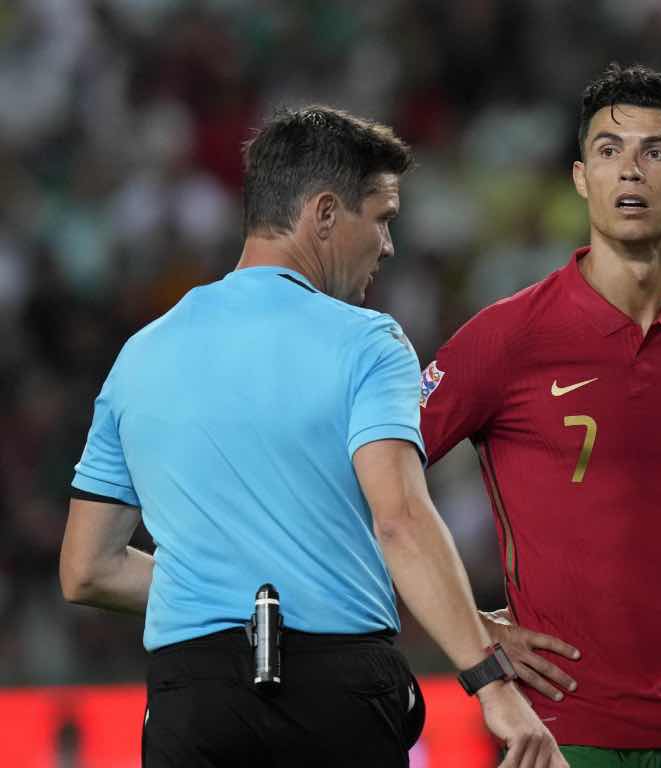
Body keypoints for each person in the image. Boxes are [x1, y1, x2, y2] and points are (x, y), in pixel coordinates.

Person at [59, 105, 564, 768]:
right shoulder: (368, 343)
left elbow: (87, 568)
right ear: (325, 214)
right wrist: (491, 683)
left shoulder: (140, 355)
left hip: (191, 700)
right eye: (381, 218)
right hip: (335, 693)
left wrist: (228, 591)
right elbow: (402, 521)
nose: (387, 245)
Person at [419, 64, 661, 766]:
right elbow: (372, 485)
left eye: (655, 152)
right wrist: (468, 629)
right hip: (554, 733)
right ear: (582, 180)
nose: (630, 172)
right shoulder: (506, 337)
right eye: (609, 152)